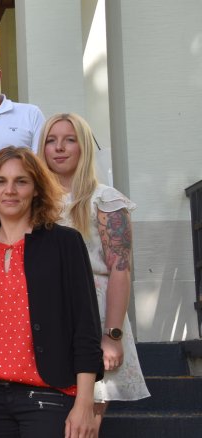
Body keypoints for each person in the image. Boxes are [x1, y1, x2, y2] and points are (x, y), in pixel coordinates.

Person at [0, 146, 103, 438]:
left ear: (36, 189)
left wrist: (85, 403)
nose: (10, 190)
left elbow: (85, 326)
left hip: (47, 397)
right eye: (1, 181)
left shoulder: (65, 244)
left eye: (21, 181)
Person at [39, 113, 149, 428]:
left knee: (85, 422)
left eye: (69, 139)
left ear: (84, 146)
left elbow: (120, 269)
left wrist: (112, 335)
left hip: (95, 314)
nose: (59, 147)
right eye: (51, 140)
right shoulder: (33, 201)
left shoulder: (105, 199)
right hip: (46, 318)